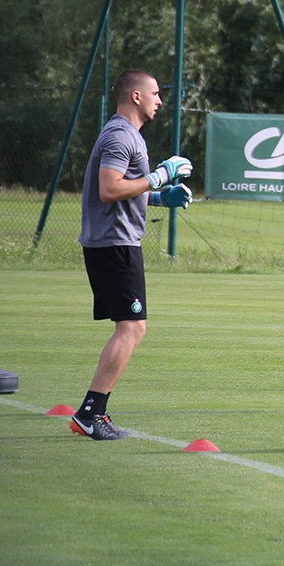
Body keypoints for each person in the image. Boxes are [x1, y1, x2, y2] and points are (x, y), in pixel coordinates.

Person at [72, 69, 193, 440]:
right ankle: (90, 413)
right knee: (132, 327)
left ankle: (95, 412)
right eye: (155, 93)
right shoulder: (120, 135)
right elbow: (109, 190)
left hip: (115, 242)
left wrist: (158, 198)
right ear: (136, 96)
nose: (160, 100)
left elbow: (125, 190)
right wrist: (159, 177)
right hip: (115, 244)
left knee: (131, 327)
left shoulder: (128, 135)